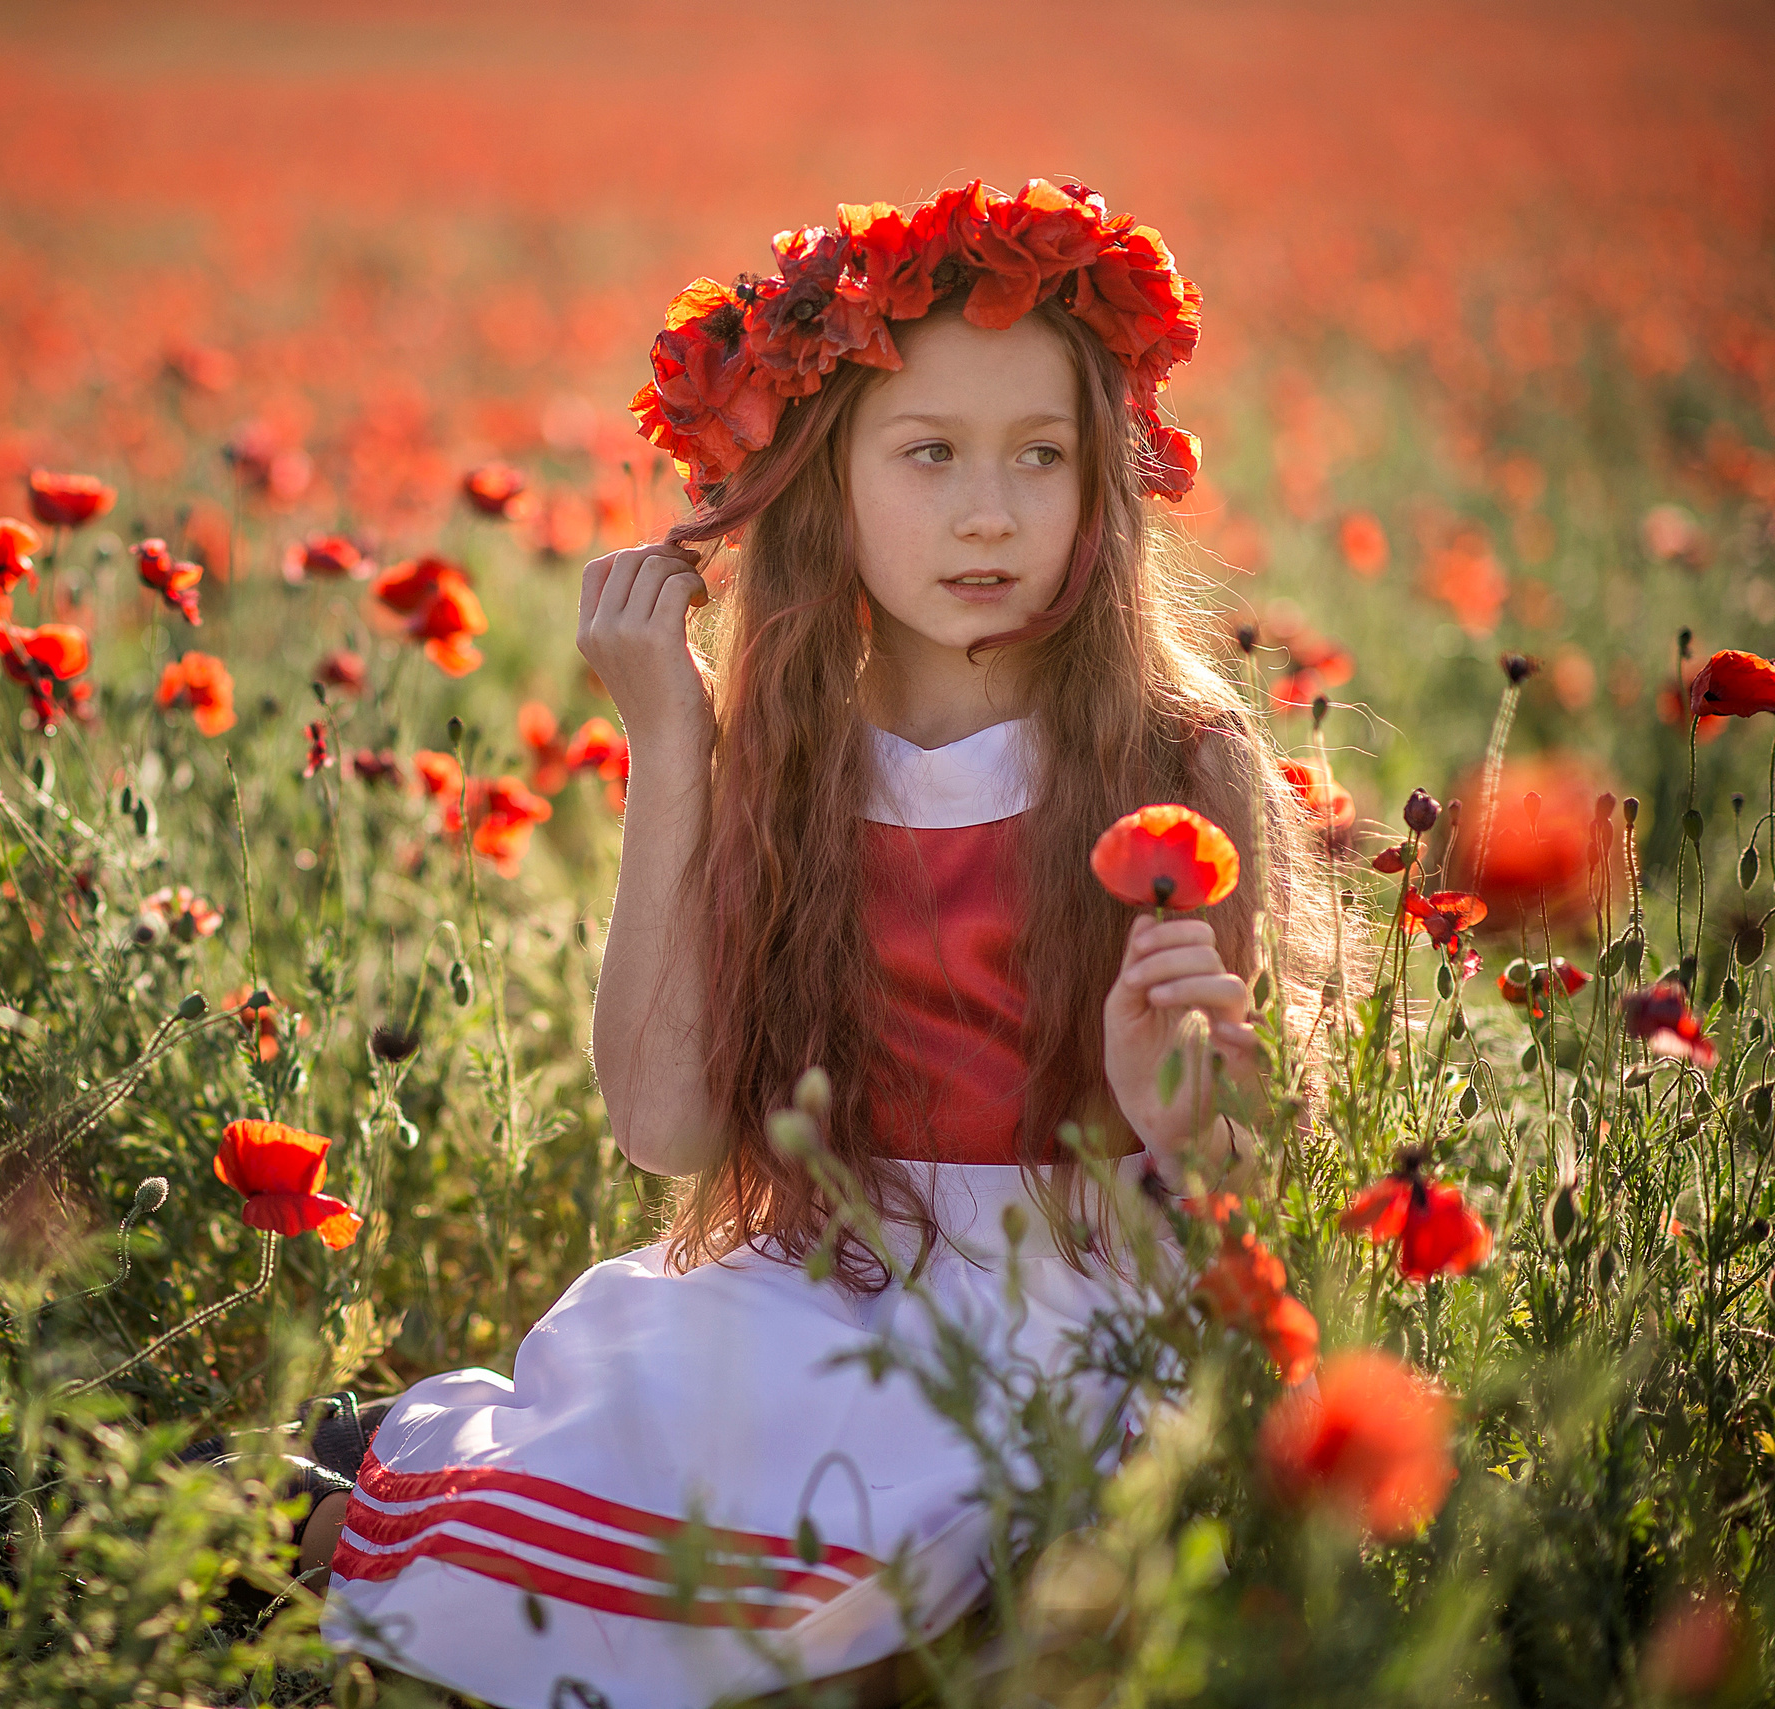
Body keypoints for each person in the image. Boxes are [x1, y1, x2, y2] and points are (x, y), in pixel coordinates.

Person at [298, 179, 1333, 1709]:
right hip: (831, 1279)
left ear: (1101, 488)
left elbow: (1265, 1177)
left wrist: (1180, 1118)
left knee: (951, 1571)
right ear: (824, 482)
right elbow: (664, 1124)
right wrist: (672, 735)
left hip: (1095, 1290)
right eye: (928, 456)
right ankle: (328, 1499)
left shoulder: (1182, 763)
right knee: (675, 1459)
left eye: (1040, 457)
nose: (989, 511)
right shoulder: (792, 763)